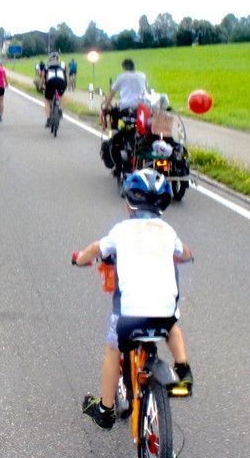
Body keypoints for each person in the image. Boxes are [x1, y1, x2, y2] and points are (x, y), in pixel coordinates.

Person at [71, 169, 194, 429]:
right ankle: (183, 372)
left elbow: (95, 249)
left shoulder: (121, 230)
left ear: (128, 202)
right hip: (164, 314)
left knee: (113, 348)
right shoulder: (168, 231)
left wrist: (79, 259)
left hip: (129, 317)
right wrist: (187, 255)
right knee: (172, 328)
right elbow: (183, 253)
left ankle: (105, 409)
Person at [43, 52, 68, 126]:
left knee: (47, 100)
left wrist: (41, 86)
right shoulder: (62, 65)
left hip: (50, 83)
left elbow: (43, 78)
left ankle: (48, 119)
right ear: (58, 59)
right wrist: (66, 85)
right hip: (61, 83)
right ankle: (60, 109)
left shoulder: (47, 66)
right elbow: (65, 76)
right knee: (61, 94)